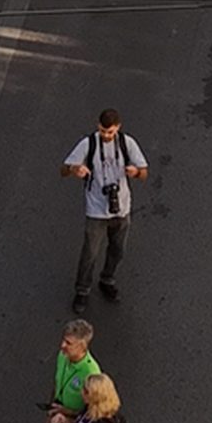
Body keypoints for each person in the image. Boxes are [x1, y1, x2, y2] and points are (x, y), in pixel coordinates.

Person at [63, 110, 150, 315]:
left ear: (118, 127)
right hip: (96, 211)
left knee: (117, 250)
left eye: (110, 132)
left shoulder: (127, 143)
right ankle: (82, 290)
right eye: (103, 131)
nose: (106, 135)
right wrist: (75, 170)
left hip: (122, 208)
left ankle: (107, 279)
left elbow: (144, 173)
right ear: (97, 125)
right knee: (90, 253)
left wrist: (136, 173)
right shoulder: (88, 144)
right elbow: (64, 169)